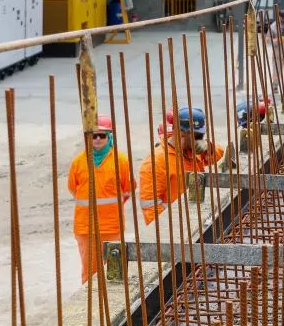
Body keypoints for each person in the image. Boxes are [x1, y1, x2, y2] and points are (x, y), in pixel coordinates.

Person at [67, 116, 133, 284]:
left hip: (112, 226)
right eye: (93, 135)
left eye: (101, 135)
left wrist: (110, 207)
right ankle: (92, 307)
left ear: (109, 137)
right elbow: (73, 188)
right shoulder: (78, 162)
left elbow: (128, 189)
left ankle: (110, 306)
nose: (97, 139)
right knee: (90, 272)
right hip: (85, 227)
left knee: (113, 270)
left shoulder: (121, 161)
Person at [138, 107, 225, 225]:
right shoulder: (156, 162)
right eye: (198, 136)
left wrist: (208, 147)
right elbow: (150, 206)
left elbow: (219, 154)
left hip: (198, 219)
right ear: (182, 133)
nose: (200, 139)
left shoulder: (193, 150)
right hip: (176, 226)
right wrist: (172, 228)